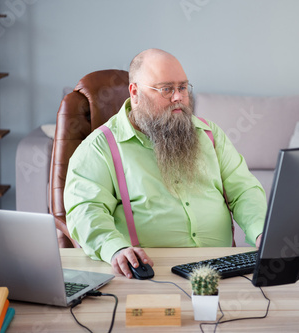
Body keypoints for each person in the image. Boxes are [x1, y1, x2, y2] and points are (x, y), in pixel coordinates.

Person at [64, 48, 267, 278]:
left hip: (224, 268)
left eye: (182, 87)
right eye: (166, 89)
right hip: (151, 274)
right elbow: (85, 210)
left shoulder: (209, 134)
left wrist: (261, 232)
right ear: (135, 93)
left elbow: (244, 190)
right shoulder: (99, 148)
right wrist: (115, 248)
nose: (178, 97)